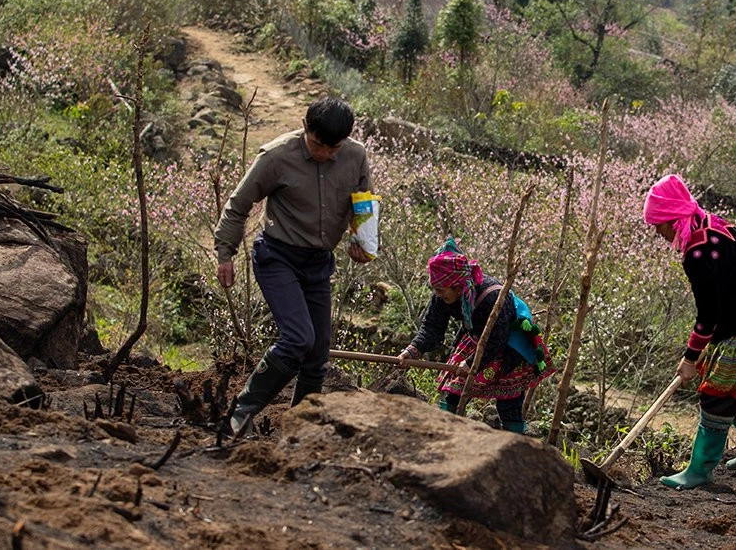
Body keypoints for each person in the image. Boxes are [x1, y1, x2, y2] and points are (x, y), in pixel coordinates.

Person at [213, 96, 373, 436]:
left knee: (317, 352)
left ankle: (299, 427)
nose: (325, 154)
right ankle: (239, 414)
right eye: (318, 145)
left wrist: (362, 243)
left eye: (334, 148)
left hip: (318, 263)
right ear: (305, 128)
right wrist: (225, 253)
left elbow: (363, 204)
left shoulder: (355, 155)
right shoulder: (276, 157)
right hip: (277, 256)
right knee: (299, 338)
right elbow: (238, 205)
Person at [643, 174, 736, 489]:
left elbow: (708, 314)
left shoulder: (698, 252)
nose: (657, 231)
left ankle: (700, 469)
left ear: (673, 218)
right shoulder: (708, 222)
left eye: (658, 223)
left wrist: (689, 358)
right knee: (728, 384)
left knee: (716, 394)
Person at [398, 238, 555, 433]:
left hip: (507, 345)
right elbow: (432, 327)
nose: (438, 294)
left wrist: (472, 364)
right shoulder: (442, 293)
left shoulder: (492, 297)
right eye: (436, 290)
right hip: (475, 338)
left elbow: (497, 338)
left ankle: (514, 447)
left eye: (441, 290)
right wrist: (413, 350)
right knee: (454, 390)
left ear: (457, 286)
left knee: (509, 402)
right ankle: (443, 433)